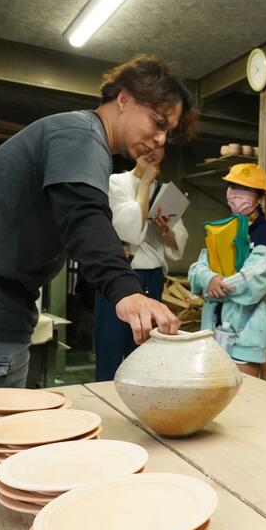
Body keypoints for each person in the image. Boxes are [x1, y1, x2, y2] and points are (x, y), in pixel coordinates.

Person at [0, 55, 196, 390]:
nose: (160, 140)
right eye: (158, 123)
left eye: (168, 133)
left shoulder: (81, 139)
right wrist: (128, 292)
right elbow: (84, 216)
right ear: (124, 98)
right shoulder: (81, 136)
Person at [93, 153, 189, 381]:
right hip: (118, 275)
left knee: (143, 350)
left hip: (152, 275)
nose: (153, 152)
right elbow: (129, 229)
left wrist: (164, 230)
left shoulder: (166, 192)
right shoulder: (116, 183)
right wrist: (145, 183)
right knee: (110, 345)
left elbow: (180, 243)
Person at [188, 164, 266, 376]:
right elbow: (197, 268)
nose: (236, 194)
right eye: (232, 186)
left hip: (246, 334)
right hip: (211, 331)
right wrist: (208, 278)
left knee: (243, 396)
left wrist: (217, 286)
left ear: (259, 197)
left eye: (245, 189)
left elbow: (254, 279)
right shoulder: (221, 228)